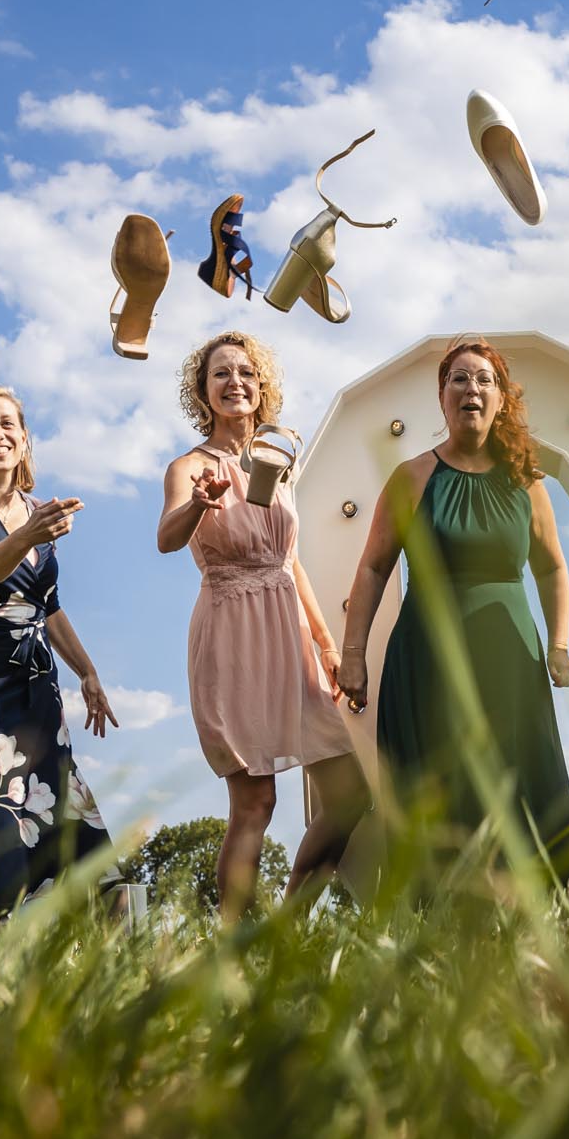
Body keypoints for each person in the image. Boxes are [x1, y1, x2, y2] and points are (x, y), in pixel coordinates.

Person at [337, 338, 569, 873]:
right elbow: (374, 567)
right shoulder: (412, 476)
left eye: (484, 380)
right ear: (442, 396)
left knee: (518, 778)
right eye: (460, 379)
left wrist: (560, 645)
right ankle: (440, 928)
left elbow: (553, 567)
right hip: (427, 659)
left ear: (500, 400)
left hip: (510, 656)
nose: (472, 389)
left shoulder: (527, 480)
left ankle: (534, 922)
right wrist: (352, 653)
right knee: (436, 786)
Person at [157, 331, 370, 916]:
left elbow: (290, 561)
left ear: (261, 386)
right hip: (231, 632)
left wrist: (327, 646)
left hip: (290, 632)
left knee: (349, 795)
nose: (235, 383)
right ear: (202, 391)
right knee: (255, 803)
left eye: (246, 373)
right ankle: (234, 950)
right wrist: (200, 503)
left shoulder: (279, 463)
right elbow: (166, 539)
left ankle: (283, 930)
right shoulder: (189, 466)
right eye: (221, 374)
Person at [0, 386, 116, 911]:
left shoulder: (38, 514)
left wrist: (88, 672)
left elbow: (48, 604)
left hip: (38, 695)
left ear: (24, 438)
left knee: (85, 850)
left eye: (8, 423)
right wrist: (29, 535)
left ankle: (107, 981)